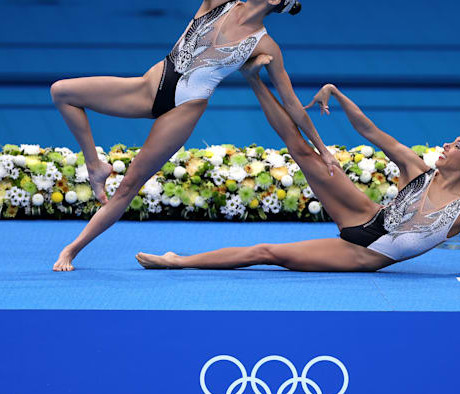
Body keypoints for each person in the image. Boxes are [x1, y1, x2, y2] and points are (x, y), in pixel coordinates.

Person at [136, 55, 460, 278]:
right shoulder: (418, 170)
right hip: (365, 214)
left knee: (267, 253)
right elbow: (370, 131)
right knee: (304, 152)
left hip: (364, 254)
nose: (447, 145)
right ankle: (253, 78)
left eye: (457, 146)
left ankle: (178, 261)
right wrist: (334, 92)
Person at [52, 0, 339, 271]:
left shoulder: (265, 45)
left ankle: (72, 249)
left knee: (129, 184)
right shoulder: (220, 4)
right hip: (147, 89)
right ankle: (95, 166)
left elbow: (292, 105)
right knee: (62, 92)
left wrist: (323, 150)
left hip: (184, 109)